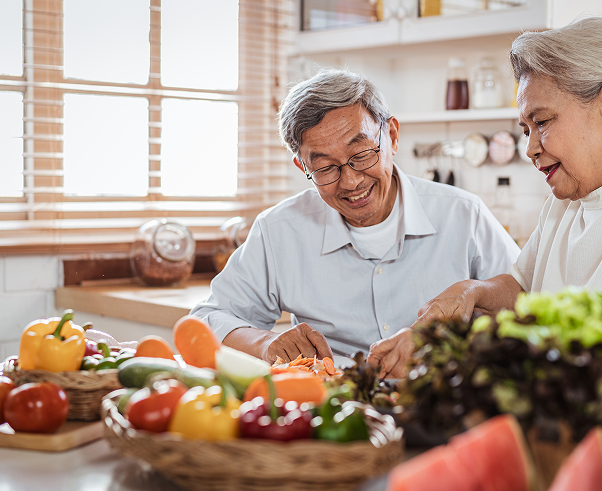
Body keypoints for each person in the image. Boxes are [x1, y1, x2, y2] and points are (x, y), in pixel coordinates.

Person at [385, 16, 602, 376]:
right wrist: (469, 292)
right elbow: (523, 292)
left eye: (543, 122)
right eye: (525, 129)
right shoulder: (567, 201)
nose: (530, 148)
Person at [190, 68, 520, 375]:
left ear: (391, 136)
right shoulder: (279, 230)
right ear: (301, 166)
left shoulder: (463, 214)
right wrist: (264, 343)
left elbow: (527, 302)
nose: (350, 182)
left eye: (361, 154)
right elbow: (206, 319)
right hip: (333, 415)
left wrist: (471, 297)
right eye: (325, 168)